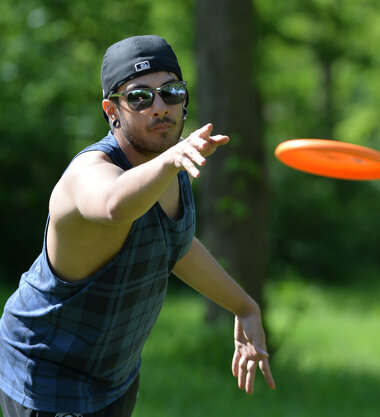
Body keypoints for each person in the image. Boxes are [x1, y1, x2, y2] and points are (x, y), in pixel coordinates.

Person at [0, 35, 275, 417]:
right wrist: (171, 161)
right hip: (48, 376)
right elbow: (114, 205)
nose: (159, 107)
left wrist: (244, 307)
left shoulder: (168, 163)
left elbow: (174, 243)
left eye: (172, 91)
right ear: (112, 110)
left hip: (115, 377)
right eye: (140, 97)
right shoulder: (90, 172)